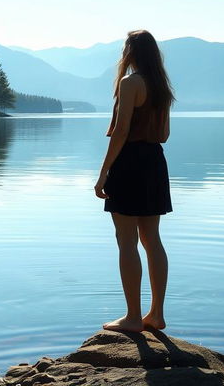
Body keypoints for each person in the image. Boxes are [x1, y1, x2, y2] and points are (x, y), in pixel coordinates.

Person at [94, 29, 175, 333]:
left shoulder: (130, 83)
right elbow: (164, 135)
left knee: (126, 241)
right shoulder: (161, 88)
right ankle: (156, 314)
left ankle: (132, 317)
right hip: (155, 162)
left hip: (129, 164)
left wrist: (104, 172)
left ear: (130, 52)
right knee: (151, 239)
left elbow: (121, 131)